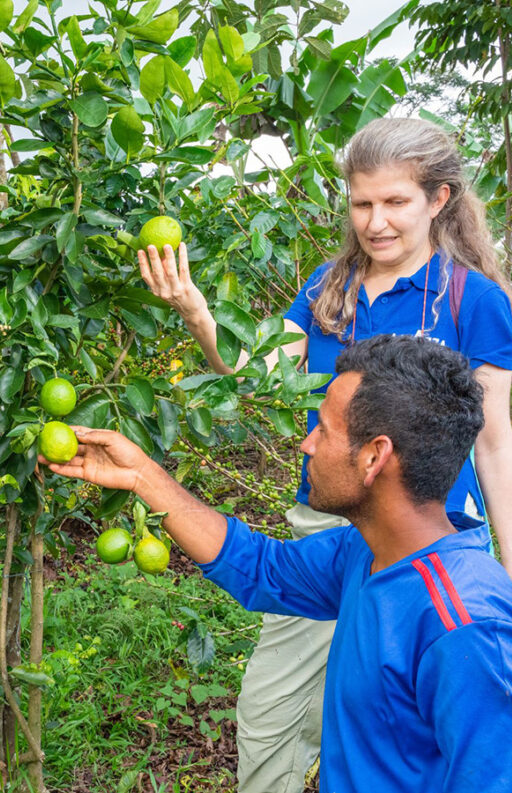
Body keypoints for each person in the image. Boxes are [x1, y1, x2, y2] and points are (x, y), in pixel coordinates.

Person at [138, 116, 512, 792]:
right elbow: (253, 370)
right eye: (362, 202)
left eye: (396, 202)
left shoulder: (472, 299)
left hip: (421, 540)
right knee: (269, 710)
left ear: (438, 200)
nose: (376, 221)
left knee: (413, 727)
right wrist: (196, 311)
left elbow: (496, 447)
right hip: (333, 527)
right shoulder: (329, 288)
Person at [42, 334, 512, 793]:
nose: (307, 444)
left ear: (374, 456)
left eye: (323, 429)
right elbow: (262, 567)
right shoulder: (369, 552)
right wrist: (142, 474)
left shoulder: (464, 627)